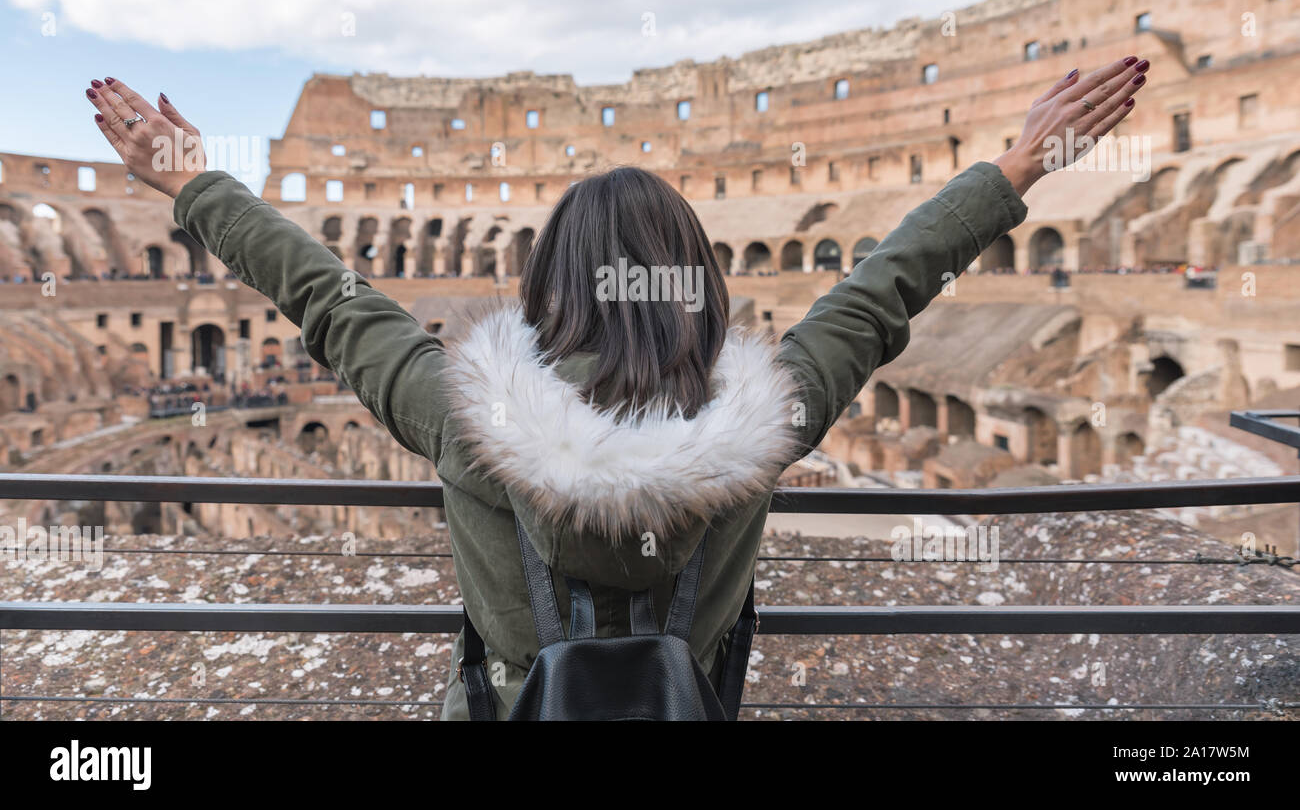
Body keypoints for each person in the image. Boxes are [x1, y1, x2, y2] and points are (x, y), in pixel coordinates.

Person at [82, 58, 1149, 718]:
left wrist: (191, 180)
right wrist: (1012, 168)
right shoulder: (767, 408)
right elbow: (876, 294)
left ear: (549, 279)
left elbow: (327, 295)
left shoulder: (462, 409)